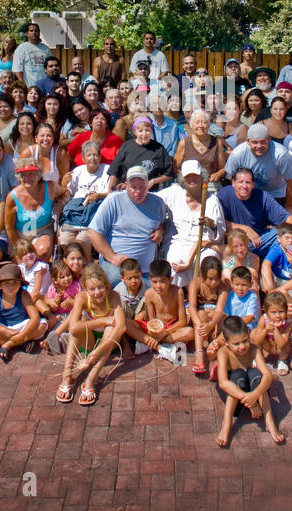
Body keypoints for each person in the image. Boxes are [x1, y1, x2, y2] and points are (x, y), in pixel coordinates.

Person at [84, 165, 169, 285]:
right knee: (114, 281)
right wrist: (112, 257)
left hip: (144, 270)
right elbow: (93, 232)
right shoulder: (113, 200)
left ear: (148, 185)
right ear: (126, 185)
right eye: (134, 187)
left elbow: (161, 223)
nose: (138, 191)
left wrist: (160, 231)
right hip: (117, 266)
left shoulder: (158, 203)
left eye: (142, 187)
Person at [55, 264, 126, 405]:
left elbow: (121, 327)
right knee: (79, 323)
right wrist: (102, 320)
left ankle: (91, 378)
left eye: (100, 287)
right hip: (89, 341)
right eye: (92, 289)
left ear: (106, 285)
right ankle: (67, 375)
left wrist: (98, 351)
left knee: (112, 328)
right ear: (85, 289)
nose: (97, 292)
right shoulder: (82, 298)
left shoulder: (113, 297)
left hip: (107, 345)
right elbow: (73, 328)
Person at [214, 316, 285, 447]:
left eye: (245, 341)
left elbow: (268, 376)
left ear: (248, 334)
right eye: (236, 344)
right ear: (227, 343)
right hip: (234, 397)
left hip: (252, 394)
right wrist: (250, 401)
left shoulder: (254, 349)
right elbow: (223, 383)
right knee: (237, 375)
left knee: (257, 376)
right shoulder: (223, 352)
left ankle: (270, 423)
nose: (242, 346)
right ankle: (226, 424)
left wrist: (255, 394)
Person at [159, 160, 225, 287]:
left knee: (208, 263)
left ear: (201, 177)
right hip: (178, 243)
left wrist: (212, 225)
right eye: (188, 177)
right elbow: (152, 200)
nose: (192, 179)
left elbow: (220, 232)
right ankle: (177, 296)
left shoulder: (212, 201)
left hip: (204, 245)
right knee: (174, 261)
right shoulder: (173, 194)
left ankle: (204, 296)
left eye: (195, 175)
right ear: (182, 179)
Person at [215, 167, 292, 254]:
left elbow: (287, 218)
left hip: (258, 241)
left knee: (287, 237)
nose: (244, 186)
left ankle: (290, 261)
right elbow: (215, 221)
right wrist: (245, 229)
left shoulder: (262, 197)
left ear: (253, 184)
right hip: (234, 243)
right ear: (233, 182)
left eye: (248, 182)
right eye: (240, 182)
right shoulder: (224, 195)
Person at [225, 123, 292, 208]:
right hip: (249, 193)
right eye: (255, 142)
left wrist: (289, 206)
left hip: (275, 193)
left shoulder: (281, 154)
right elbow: (232, 180)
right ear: (248, 142)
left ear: (269, 140)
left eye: (262, 142)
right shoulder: (237, 154)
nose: (259, 146)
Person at [134, 259, 194, 357]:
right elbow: (152, 321)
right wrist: (155, 332)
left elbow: (182, 321)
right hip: (156, 329)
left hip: (172, 329)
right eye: (155, 282)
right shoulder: (149, 294)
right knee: (129, 324)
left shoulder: (178, 292)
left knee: (190, 332)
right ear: (149, 279)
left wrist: (164, 333)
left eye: (162, 281)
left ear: (170, 279)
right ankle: (161, 345)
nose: (158, 286)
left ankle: (151, 343)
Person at [107, 116, 173, 191]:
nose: (144, 134)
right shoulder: (126, 146)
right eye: (140, 131)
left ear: (151, 131)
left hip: (148, 192)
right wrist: (110, 191)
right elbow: (114, 171)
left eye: (147, 130)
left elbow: (169, 174)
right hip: (126, 190)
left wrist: (153, 181)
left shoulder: (159, 149)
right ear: (135, 132)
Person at [173, 108, 227, 184]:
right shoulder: (184, 142)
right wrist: (185, 178)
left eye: (204, 122)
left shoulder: (217, 142)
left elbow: (223, 168)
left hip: (210, 184)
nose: (200, 125)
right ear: (191, 125)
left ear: (209, 125)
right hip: (190, 185)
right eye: (197, 122)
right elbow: (176, 167)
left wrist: (217, 175)